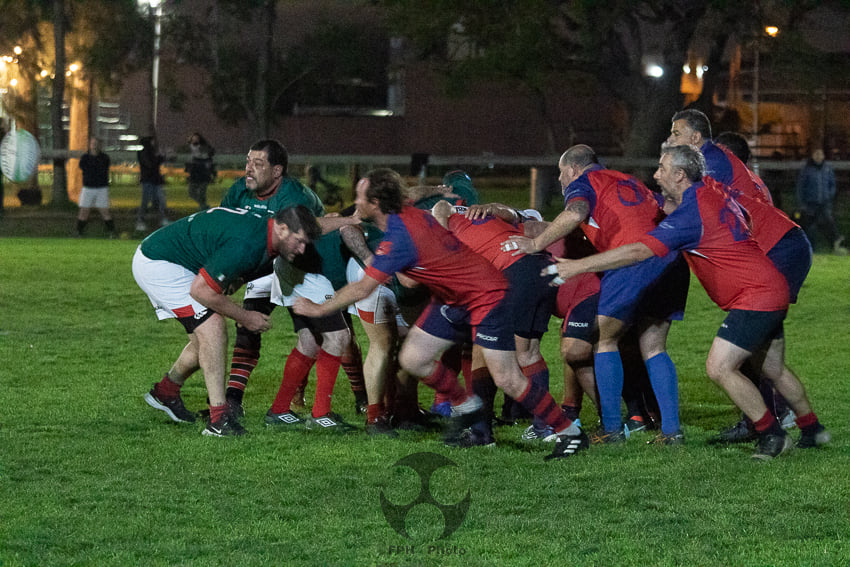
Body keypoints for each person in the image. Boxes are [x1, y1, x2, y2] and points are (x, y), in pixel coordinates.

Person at [550, 144, 829, 459]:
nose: (656, 175)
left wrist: (577, 266)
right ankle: (812, 429)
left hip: (755, 295)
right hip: (770, 284)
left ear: (680, 175)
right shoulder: (711, 189)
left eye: (663, 168)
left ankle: (771, 433)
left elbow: (639, 251)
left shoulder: (688, 215)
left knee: (719, 367)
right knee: (773, 368)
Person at [293, 168, 589, 460]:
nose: (355, 202)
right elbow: (415, 203)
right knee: (412, 358)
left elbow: (363, 289)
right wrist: (441, 198)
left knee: (508, 378)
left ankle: (569, 432)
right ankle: (467, 407)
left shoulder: (400, 237)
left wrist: (318, 308)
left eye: (360, 197)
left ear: (377, 204)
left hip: (485, 296)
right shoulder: (404, 215)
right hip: (454, 296)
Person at [504, 144, 689, 444]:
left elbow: (576, 212)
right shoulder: (628, 179)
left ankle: (612, 429)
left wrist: (536, 244)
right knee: (654, 346)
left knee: (605, 340)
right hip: (670, 258)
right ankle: (672, 431)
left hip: (632, 259)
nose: (562, 180)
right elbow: (667, 208)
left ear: (574, 169)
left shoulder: (583, 183)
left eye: (562, 173)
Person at [133, 205, 321, 436]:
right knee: (213, 327)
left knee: (206, 339)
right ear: (282, 229)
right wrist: (246, 317)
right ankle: (219, 419)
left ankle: (166, 392)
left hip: (170, 256)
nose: (302, 249)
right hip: (158, 263)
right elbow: (201, 291)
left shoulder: (266, 232)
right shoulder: (248, 243)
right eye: (299, 241)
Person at [218, 139, 358, 417]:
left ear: (277, 171)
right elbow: (226, 230)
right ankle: (234, 399)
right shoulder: (238, 191)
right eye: (248, 162)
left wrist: (240, 276)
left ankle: (360, 399)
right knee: (249, 325)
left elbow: (298, 243)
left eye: (258, 164)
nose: (249, 169)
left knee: (336, 333)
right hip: (264, 264)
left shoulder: (295, 198)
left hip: (306, 268)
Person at [797, 148, 847, 254]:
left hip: (824, 202)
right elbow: (801, 186)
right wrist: (802, 202)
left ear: (823, 156)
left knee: (828, 223)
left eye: (820, 154)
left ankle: (835, 245)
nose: (818, 156)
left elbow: (832, 184)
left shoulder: (827, 168)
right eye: (816, 154)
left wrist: (829, 195)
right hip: (810, 203)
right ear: (813, 156)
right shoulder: (807, 169)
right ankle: (810, 248)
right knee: (809, 226)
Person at [75, 137, 117, 238]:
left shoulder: (104, 158)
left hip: (101, 188)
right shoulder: (85, 157)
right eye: (92, 143)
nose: (94, 145)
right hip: (88, 188)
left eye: (96, 143)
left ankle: (112, 232)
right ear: (90, 145)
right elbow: (83, 168)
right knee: (84, 211)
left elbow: (101, 170)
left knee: (104, 211)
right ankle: (79, 232)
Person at [136, 136, 168, 231]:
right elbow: (151, 164)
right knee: (146, 202)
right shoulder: (144, 153)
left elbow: (156, 162)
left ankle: (162, 219)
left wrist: (160, 157)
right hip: (148, 181)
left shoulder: (151, 153)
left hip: (155, 181)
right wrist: (159, 158)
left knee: (160, 202)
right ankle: (140, 221)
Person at [185, 133, 215, 210]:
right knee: (191, 192)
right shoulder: (187, 148)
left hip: (203, 173)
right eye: (193, 138)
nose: (195, 140)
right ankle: (203, 205)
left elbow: (210, 157)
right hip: (194, 173)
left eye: (197, 138)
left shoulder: (204, 148)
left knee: (202, 192)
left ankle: (203, 207)